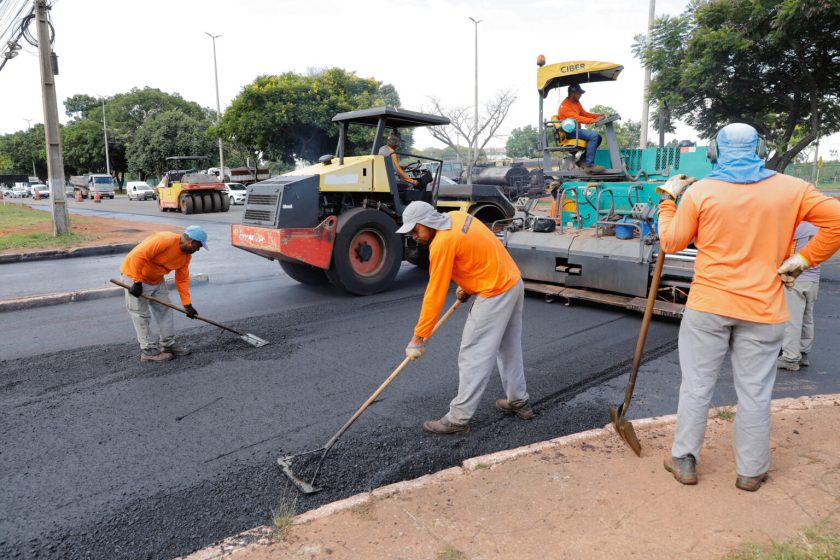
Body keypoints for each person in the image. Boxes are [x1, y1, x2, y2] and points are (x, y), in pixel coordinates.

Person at [656, 123, 840, 492]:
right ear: (761, 148)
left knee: (696, 385)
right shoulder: (793, 189)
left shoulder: (701, 192)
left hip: (709, 305)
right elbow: (836, 221)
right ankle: (751, 471)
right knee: (755, 391)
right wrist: (804, 259)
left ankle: (685, 459)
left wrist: (667, 200)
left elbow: (671, 242)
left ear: (714, 152)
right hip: (764, 308)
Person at [397, 201, 531, 434]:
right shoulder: (457, 217)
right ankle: (518, 400)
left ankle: (458, 419)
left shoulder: (442, 243)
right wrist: (469, 285)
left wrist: (419, 337)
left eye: (415, 230)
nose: (414, 236)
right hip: (512, 282)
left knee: (474, 353)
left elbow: (434, 294)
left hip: (495, 292)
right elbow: (479, 249)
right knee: (508, 348)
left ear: (428, 222)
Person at [120, 226, 208, 362]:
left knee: (165, 309)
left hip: (156, 279)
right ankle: (148, 351)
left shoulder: (186, 256)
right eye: (199, 246)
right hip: (134, 275)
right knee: (140, 314)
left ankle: (168, 345)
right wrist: (137, 282)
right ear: (191, 242)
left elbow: (182, 279)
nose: (198, 250)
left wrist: (187, 304)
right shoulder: (164, 240)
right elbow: (137, 256)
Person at [777, 221, 821, 372]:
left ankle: (789, 358)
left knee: (792, 320)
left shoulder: (796, 226)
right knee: (807, 318)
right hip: (813, 279)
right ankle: (803, 353)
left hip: (795, 279)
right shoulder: (817, 226)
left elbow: (783, 250)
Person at [556, 84, 605, 173]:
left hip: (577, 131)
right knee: (593, 136)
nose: (581, 95)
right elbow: (577, 118)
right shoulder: (565, 107)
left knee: (598, 137)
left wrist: (598, 116)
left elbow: (584, 114)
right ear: (573, 93)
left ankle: (582, 160)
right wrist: (594, 120)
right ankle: (589, 165)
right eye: (579, 93)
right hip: (569, 132)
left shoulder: (576, 103)